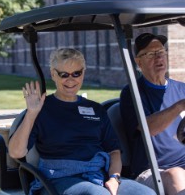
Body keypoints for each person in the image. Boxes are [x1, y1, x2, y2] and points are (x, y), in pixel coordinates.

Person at [9, 48, 156, 195]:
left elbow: (114, 151)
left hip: (98, 175)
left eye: (76, 73)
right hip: (59, 178)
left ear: (83, 73)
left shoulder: (96, 109)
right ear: (53, 74)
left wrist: (114, 178)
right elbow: (16, 152)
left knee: (147, 193)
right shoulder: (41, 110)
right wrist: (31, 113)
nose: (71, 80)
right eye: (64, 74)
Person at [120, 33, 185, 195]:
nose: (158, 58)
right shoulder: (132, 93)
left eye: (161, 52)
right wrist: (179, 107)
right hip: (152, 171)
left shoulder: (182, 89)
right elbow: (148, 128)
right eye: (150, 54)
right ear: (138, 62)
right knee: (175, 174)